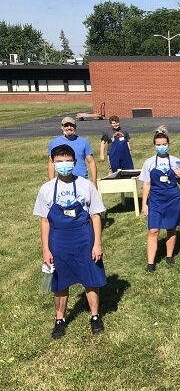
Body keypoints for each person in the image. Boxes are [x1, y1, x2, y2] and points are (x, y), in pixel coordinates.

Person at [33, 144, 106, 339]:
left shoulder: (86, 185)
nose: (63, 164)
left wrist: (97, 242)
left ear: (74, 162)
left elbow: (96, 216)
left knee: (91, 278)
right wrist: (46, 250)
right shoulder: (46, 189)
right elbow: (44, 221)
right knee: (59, 281)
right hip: (59, 240)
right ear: (53, 163)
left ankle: (95, 316)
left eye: (67, 160)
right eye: (59, 161)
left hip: (84, 237)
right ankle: (60, 319)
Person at [139, 127, 180, 273]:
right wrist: (144, 204)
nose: (161, 147)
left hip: (173, 198)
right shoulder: (149, 163)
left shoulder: (176, 161)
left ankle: (169, 255)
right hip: (156, 200)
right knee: (153, 230)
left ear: (169, 144)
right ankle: (150, 263)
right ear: (155, 146)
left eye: (164, 144)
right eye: (158, 145)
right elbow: (146, 184)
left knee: (171, 227)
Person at [47, 117, 97, 181]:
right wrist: (52, 182)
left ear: (75, 127)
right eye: (66, 126)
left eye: (71, 125)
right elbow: (51, 163)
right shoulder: (54, 143)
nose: (69, 128)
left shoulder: (84, 142)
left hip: (81, 179)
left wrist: (94, 181)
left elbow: (91, 162)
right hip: (62, 180)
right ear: (62, 127)